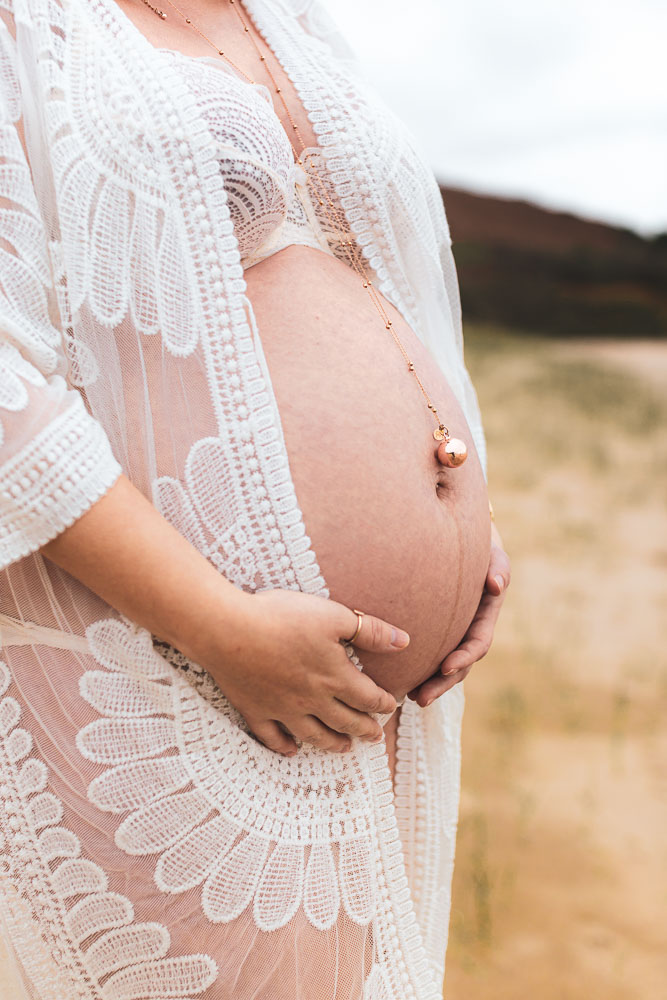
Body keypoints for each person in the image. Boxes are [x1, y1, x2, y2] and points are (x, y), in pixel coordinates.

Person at [0, 0, 510, 997]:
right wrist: (216, 624)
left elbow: (381, 285)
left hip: (364, 715)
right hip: (167, 660)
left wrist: (468, 526)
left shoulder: (294, 23)